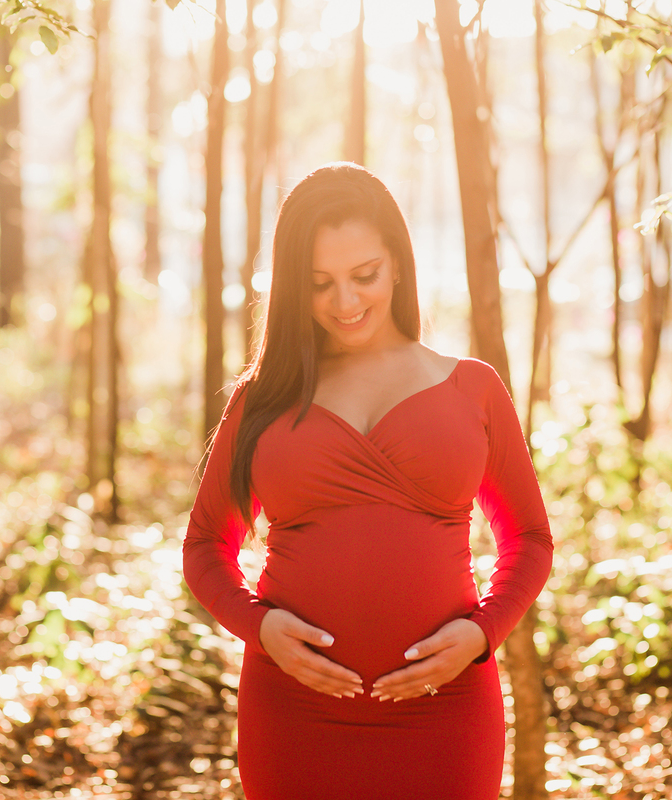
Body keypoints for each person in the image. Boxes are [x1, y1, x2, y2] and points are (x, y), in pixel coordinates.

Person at [182, 162, 553, 800]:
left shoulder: (473, 387)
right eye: (320, 283)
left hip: (446, 708)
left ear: (399, 264)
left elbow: (529, 537)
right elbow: (205, 545)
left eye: (365, 276)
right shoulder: (263, 399)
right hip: (293, 709)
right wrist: (259, 626)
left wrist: (481, 633)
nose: (346, 302)